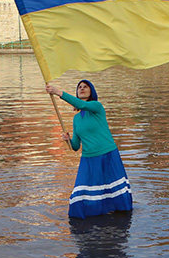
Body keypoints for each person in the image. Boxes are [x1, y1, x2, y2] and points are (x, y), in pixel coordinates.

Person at [45, 79, 133, 219]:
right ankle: (87, 215)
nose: (82, 89)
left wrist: (58, 92)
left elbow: (81, 104)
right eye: (79, 87)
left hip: (108, 154)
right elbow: (75, 147)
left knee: (113, 190)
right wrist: (68, 140)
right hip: (88, 159)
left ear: (91, 91)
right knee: (81, 192)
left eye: (86, 87)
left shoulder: (96, 107)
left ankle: (120, 214)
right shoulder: (76, 119)